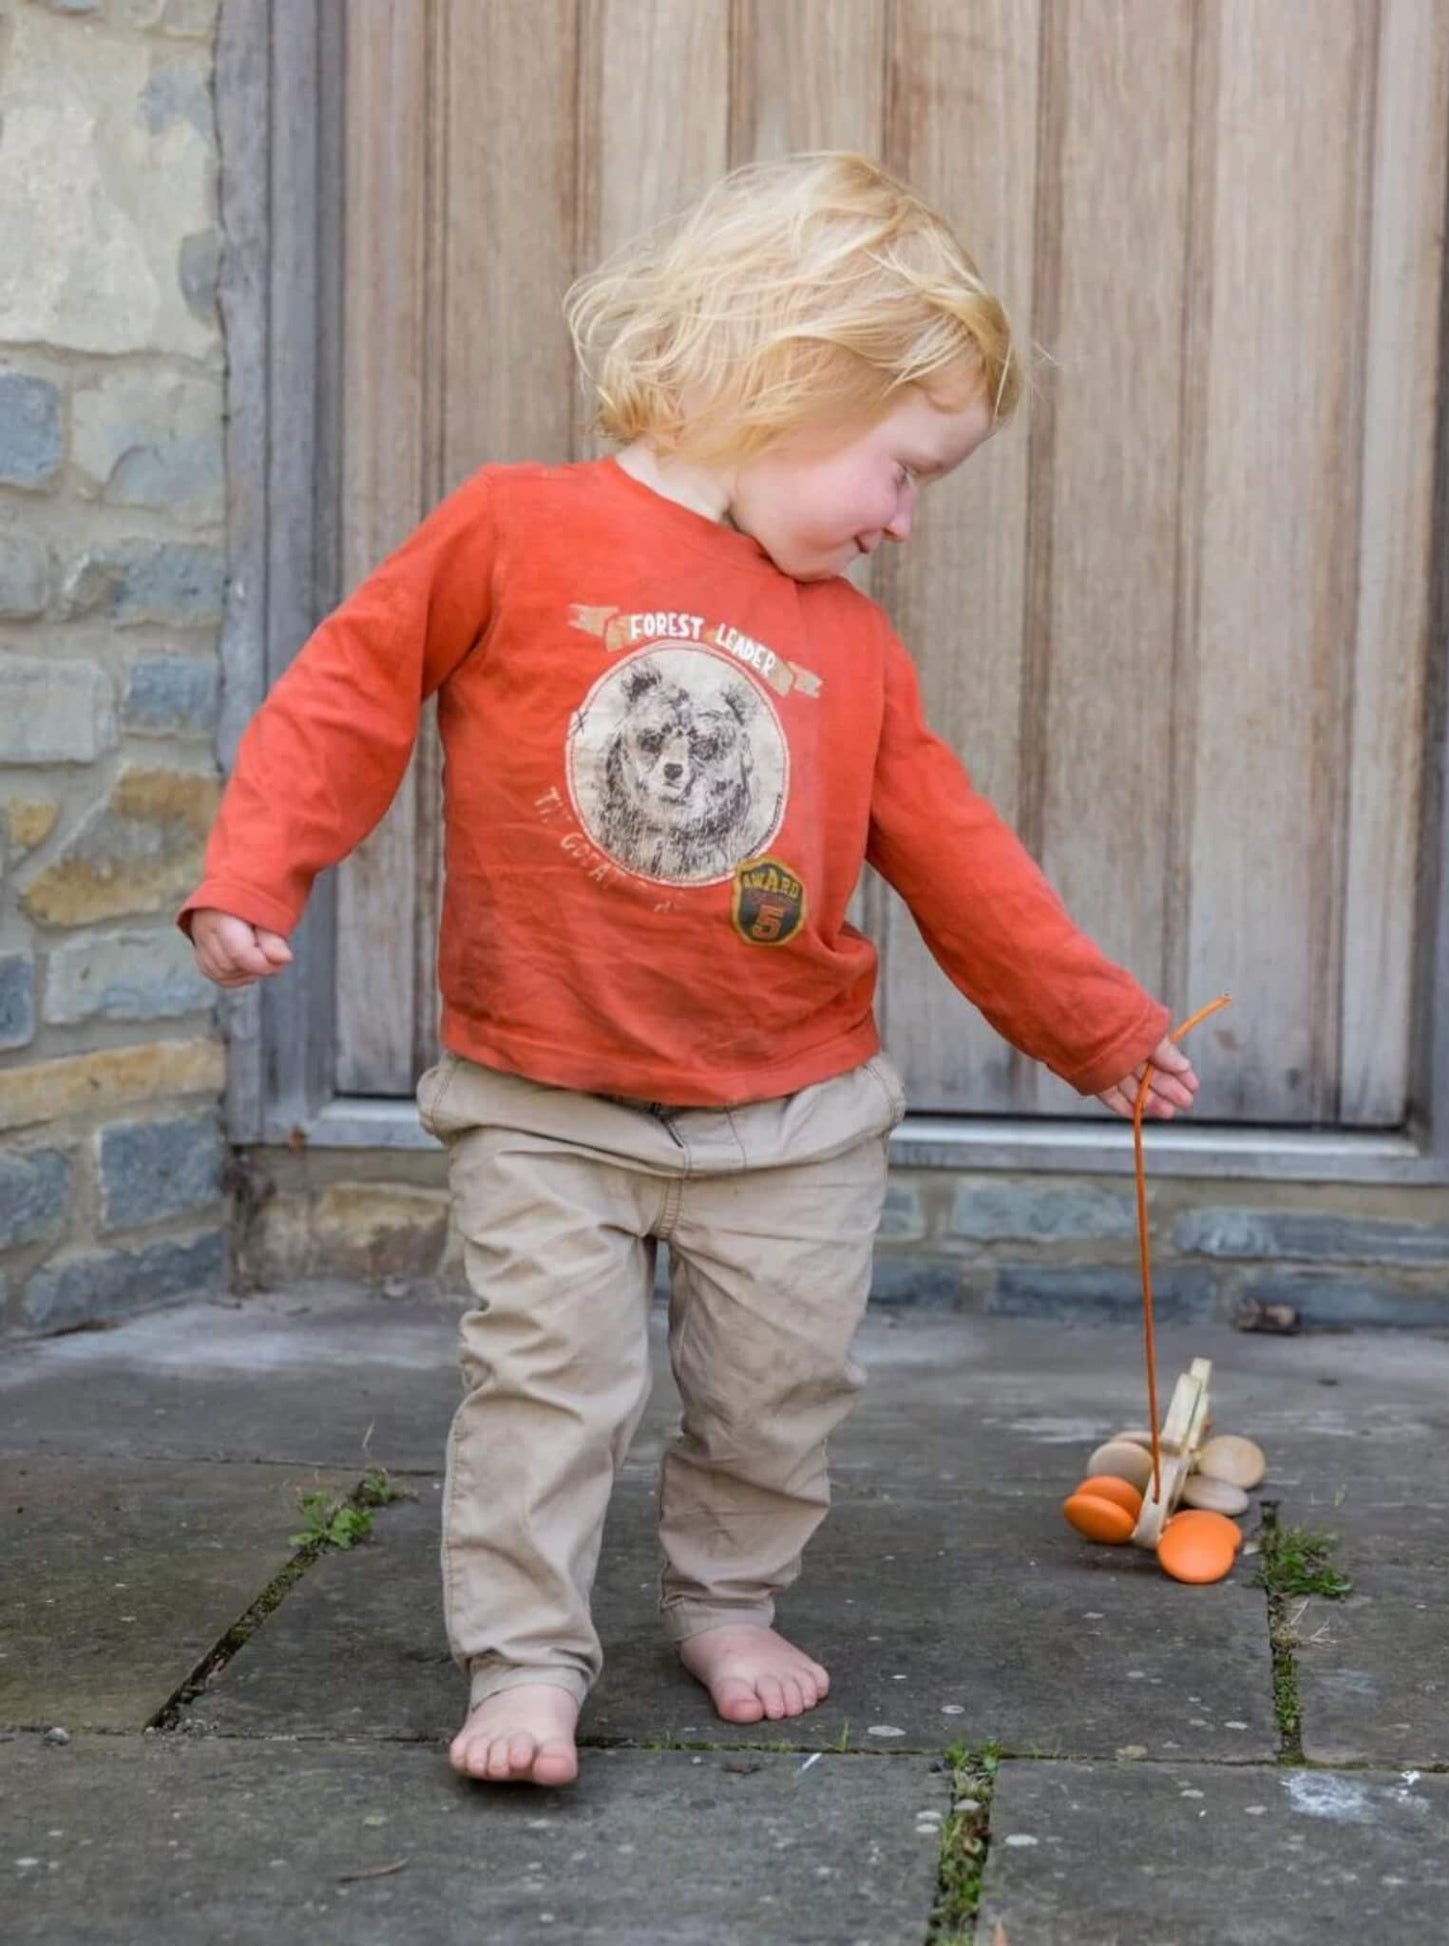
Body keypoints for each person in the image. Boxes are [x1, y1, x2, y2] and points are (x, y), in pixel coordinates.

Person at [180, 152, 1199, 1790]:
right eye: (899, 466)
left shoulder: (853, 645)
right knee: (547, 1381)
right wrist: (254, 866)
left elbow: (957, 856)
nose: (902, 515)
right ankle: (524, 1657)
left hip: (790, 1114)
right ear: (786, 376)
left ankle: (728, 1599)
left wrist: (1097, 1030)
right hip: (541, 1093)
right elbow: (346, 689)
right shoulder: (514, 529)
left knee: (776, 1389)